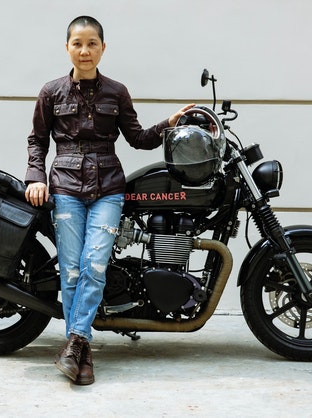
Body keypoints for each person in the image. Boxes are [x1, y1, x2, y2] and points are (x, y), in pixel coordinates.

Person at [24, 15, 194, 385]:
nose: (84, 51)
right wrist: (36, 177)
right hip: (65, 188)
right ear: (67, 48)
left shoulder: (117, 92)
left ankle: (75, 345)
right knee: (71, 270)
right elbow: (37, 140)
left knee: (94, 264)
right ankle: (80, 351)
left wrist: (168, 124)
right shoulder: (51, 92)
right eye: (77, 43)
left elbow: (138, 138)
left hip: (109, 190)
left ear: (103, 48)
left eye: (92, 44)